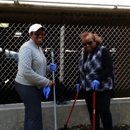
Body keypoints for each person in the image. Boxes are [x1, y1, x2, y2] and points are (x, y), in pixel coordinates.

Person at [14, 23, 57, 130]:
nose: (40, 36)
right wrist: (46, 82)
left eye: (42, 33)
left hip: (34, 85)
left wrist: (48, 68)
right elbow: (26, 71)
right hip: (26, 85)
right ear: (30, 35)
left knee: (31, 115)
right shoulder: (27, 48)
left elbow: (38, 68)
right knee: (35, 115)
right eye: (37, 33)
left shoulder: (38, 48)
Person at [76, 32, 113, 130]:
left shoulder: (103, 51)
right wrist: (79, 81)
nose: (87, 45)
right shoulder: (84, 52)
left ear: (95, 41)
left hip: (102, 88)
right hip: (88, 88)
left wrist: (98, 80)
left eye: (89, 43)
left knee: (104, 111)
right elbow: (82, 69)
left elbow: (109, 68)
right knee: (93, 112)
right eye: (84, 44)